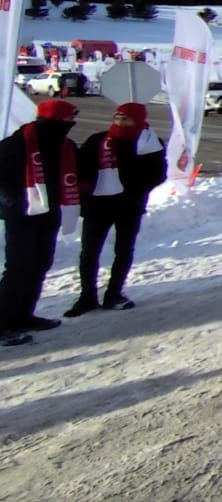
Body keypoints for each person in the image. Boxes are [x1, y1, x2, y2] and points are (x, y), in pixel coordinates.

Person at [66, 103, 167, 316]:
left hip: (129, 206)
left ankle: (114, 293)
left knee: (123, 250)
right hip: (97, 206)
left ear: (138, 121)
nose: (121, 123)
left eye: (126, 119)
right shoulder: (98, 140)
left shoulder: (149, 144)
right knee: (89, 252)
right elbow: (81, 168)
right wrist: (87, 187)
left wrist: (129, 187)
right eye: (118, 118)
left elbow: (157, 175)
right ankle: (87, 297)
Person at [0, 100, 80, 345]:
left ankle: (24, 315)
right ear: (55, 120)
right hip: (22, 216)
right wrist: (14, 203)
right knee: (19, 268)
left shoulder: (66, 146)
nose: (72, 123)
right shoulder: (15, 144)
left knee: (40, 265)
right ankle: (3, 324)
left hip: (49, 214)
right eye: (68, 119)